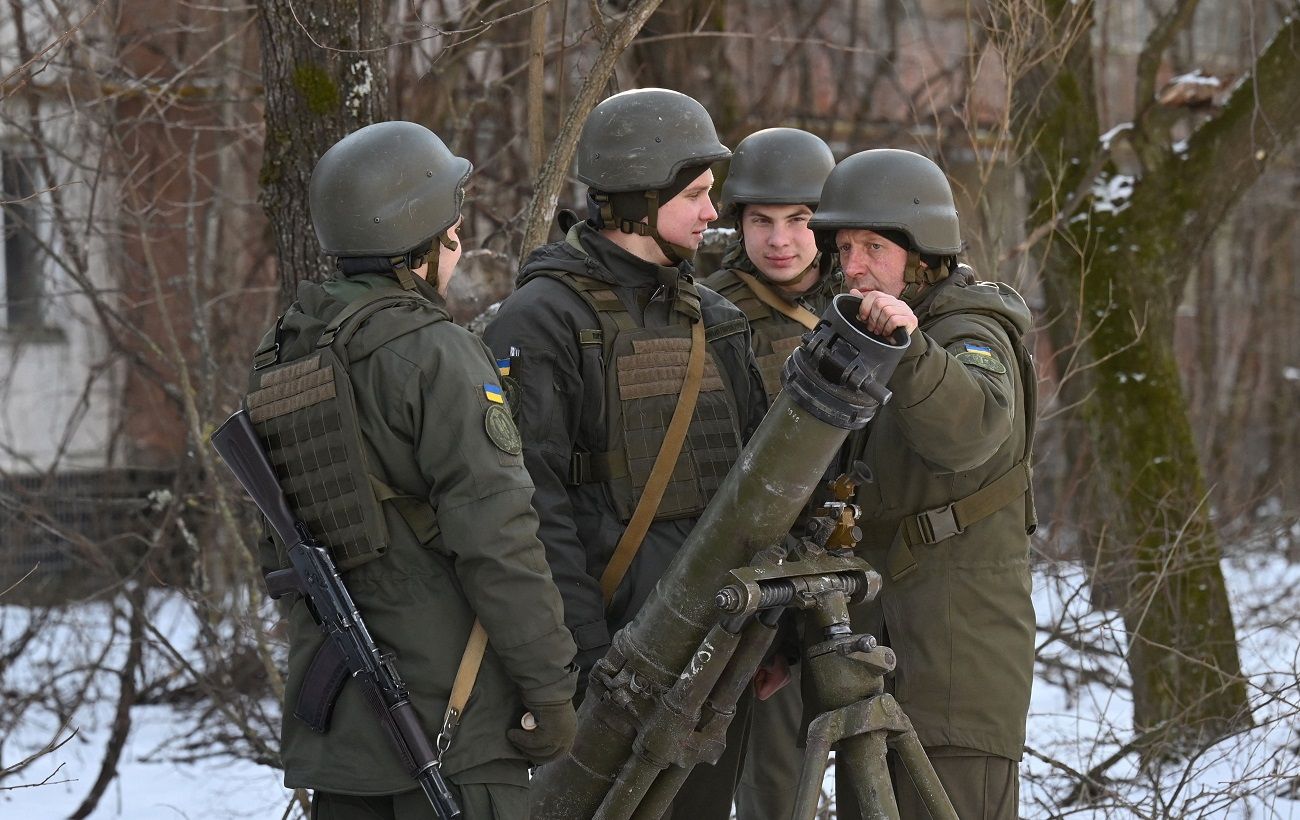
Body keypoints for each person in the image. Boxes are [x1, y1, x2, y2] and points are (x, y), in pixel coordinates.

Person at [251, 121, 578, 819]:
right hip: (452, 726)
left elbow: (276, 550)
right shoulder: (437, 354)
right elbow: (500, 539)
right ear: (424, 241)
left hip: (341, 726)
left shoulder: (286, 355)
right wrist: (551, 689)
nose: (458, 249)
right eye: (452, 232)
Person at [483, 88, 766, 819]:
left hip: (713, 661)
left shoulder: (718, 319)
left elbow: (753, 488)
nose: (714, 213)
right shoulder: (541, 321)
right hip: (607, 676)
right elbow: (528, 508)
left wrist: (773, 637)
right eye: (698, 194)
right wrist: (581, 668)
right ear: (640, 200)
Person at [805, 148, 1037, 819]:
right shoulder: (875, 336)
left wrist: (913, 350)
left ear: (924, 249)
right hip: (880, 662)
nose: (853, 266)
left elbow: (970, 430)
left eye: (874, 245)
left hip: (956, 680)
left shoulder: (970, 333)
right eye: (845, 246)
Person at [699, 126, 839, 820]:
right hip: (763, 579)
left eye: (799, 221)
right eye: (762, 221)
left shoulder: (864, 297)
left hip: (860, 575)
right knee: (775, 784)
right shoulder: (709, 311)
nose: (780, 240)